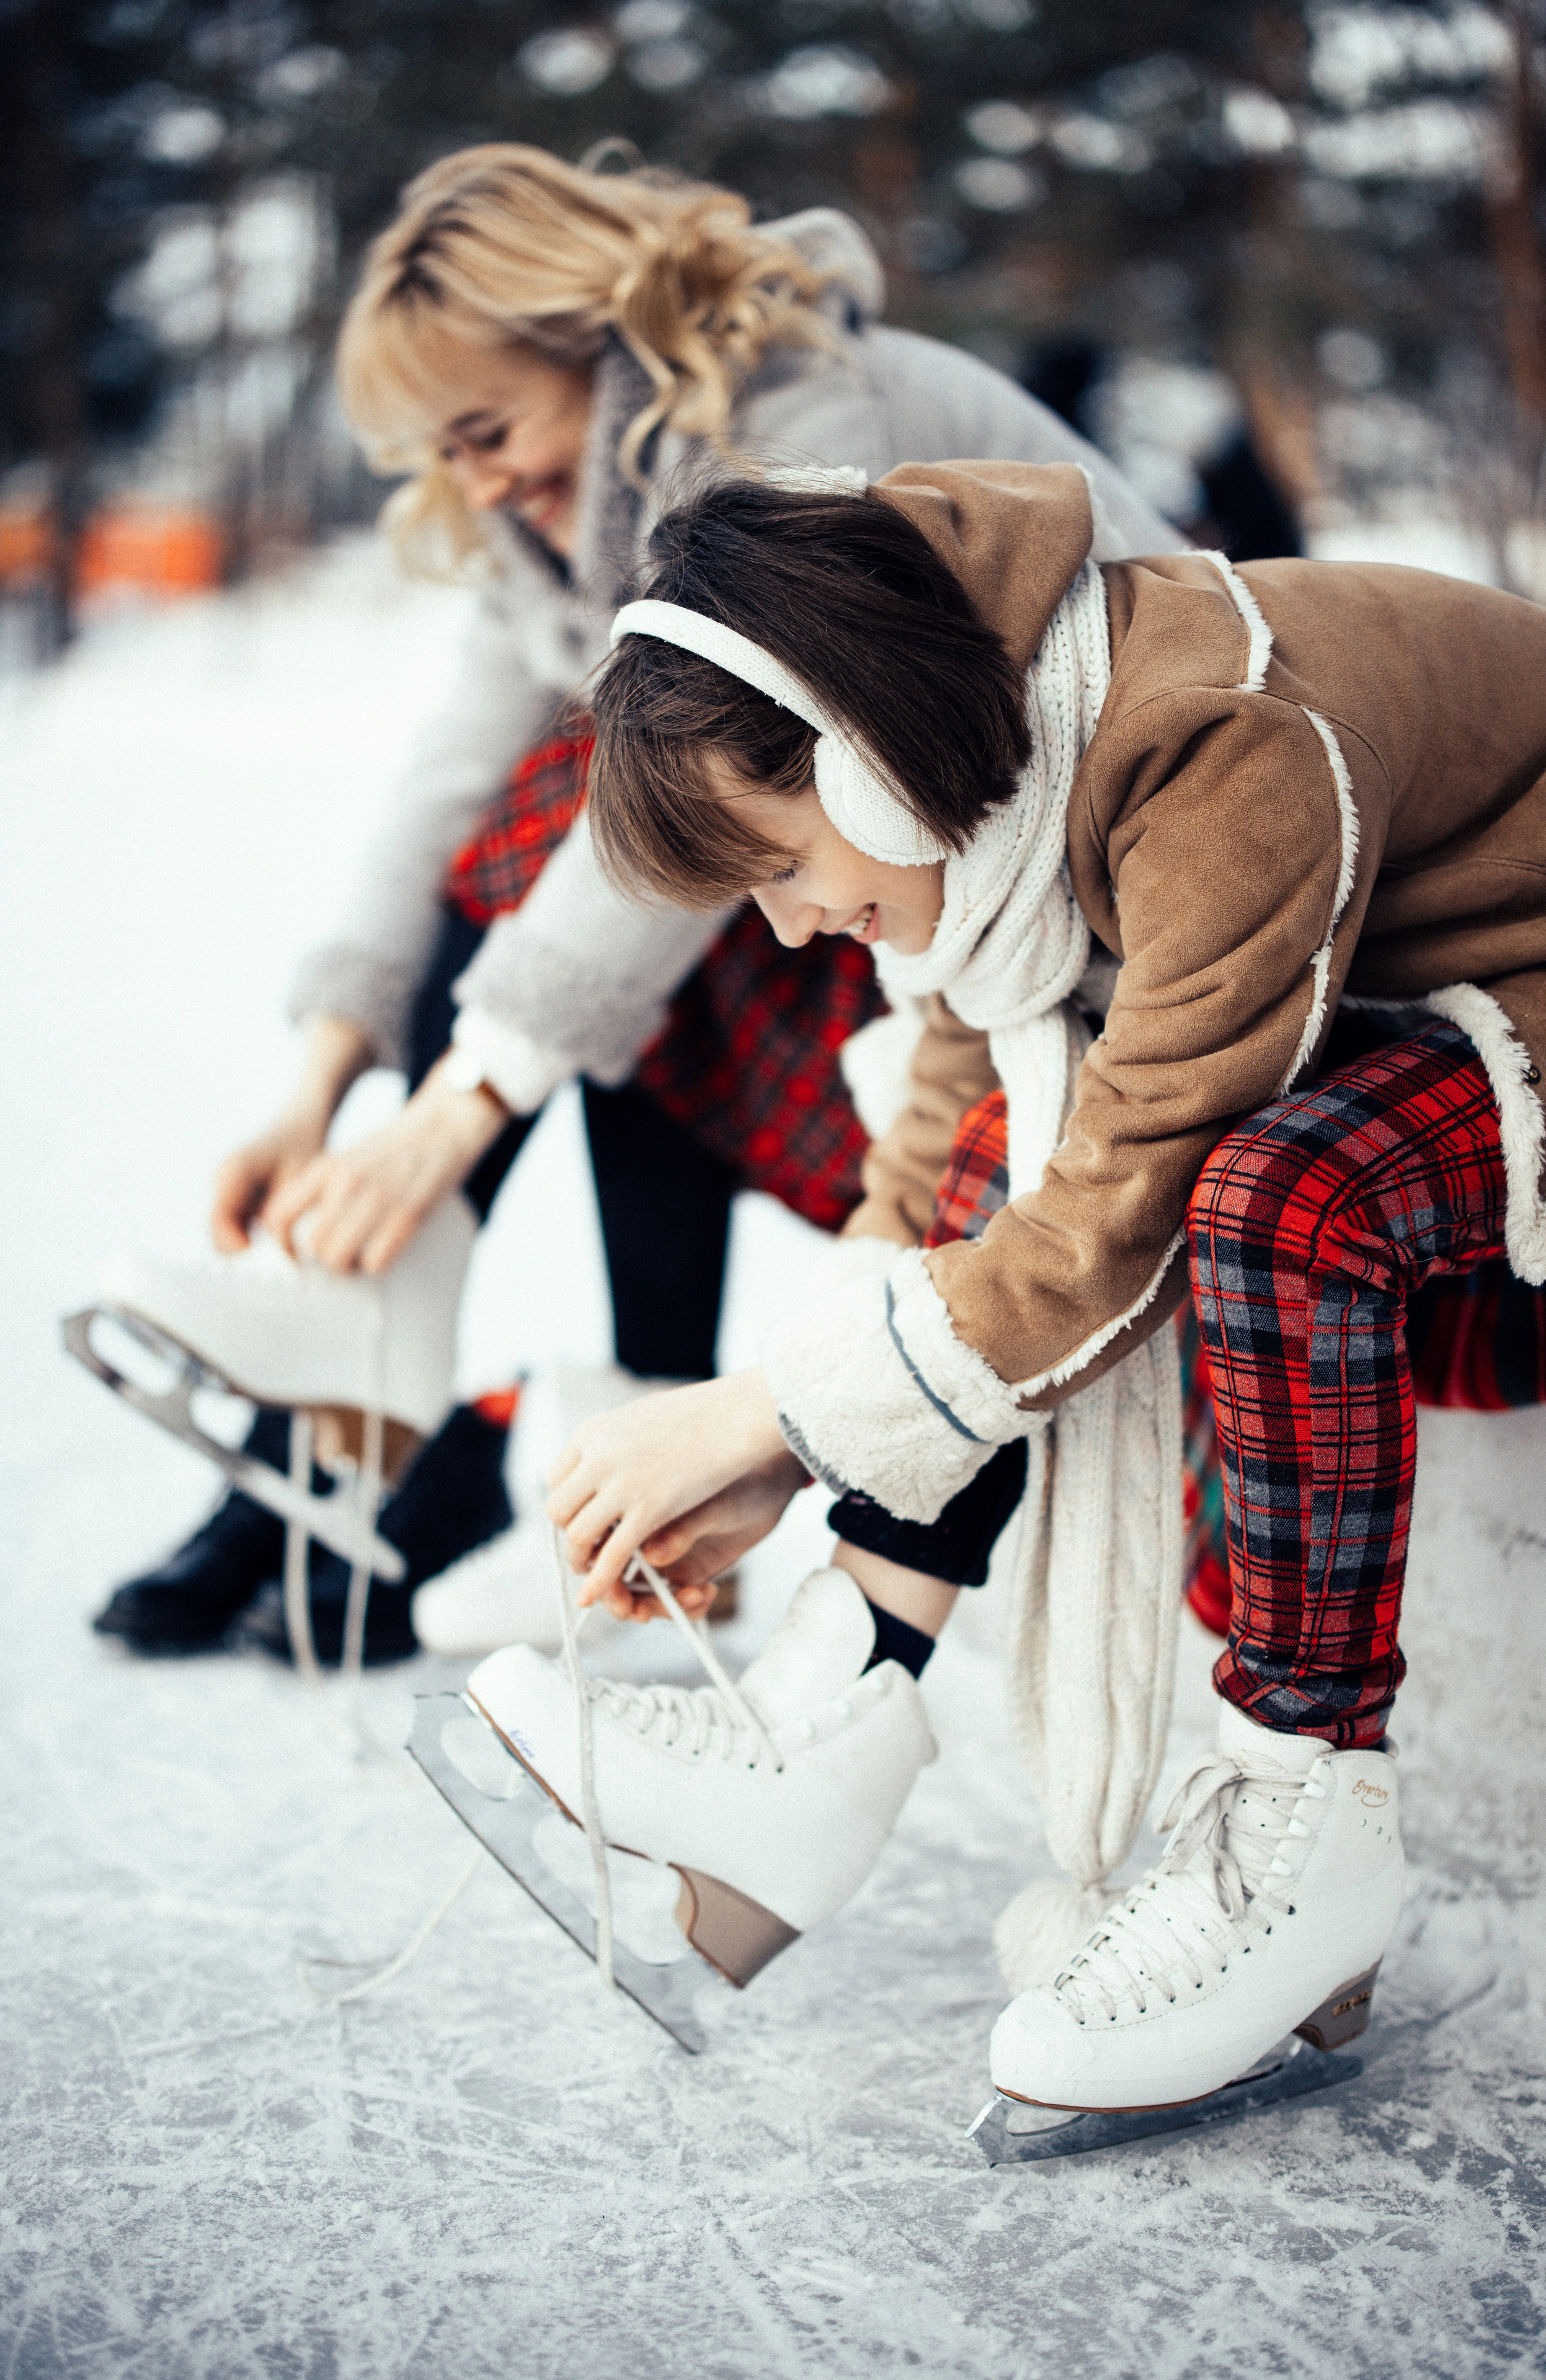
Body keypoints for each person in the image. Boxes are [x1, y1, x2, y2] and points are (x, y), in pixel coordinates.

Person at [460, 460, 1546, 2111]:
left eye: (780, 861)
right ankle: (831, 1708)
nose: (795, 923)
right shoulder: (1015, 769)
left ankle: (1305, 1822)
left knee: (1272, 1193)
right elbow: (947, 1159)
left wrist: (774, 1413)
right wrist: (789, 1440)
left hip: (1515, 1002)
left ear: (870, 756)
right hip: (1432, 994)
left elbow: (1127, 1205)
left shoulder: (1216, 746)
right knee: (1006, 1129)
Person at [91, 143, 1178, 1664]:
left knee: (613, 813)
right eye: (442, 457)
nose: (475, 483)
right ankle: (423, 1360)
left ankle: (433, 1368)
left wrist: (455, 1112)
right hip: (913, 887)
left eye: (486, 430)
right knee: (553, 821)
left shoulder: (786, 406)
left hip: (1105, 887)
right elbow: (444, 783)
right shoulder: (557, 513)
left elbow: (722, 777)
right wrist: (322, 1088)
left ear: (594, 339)